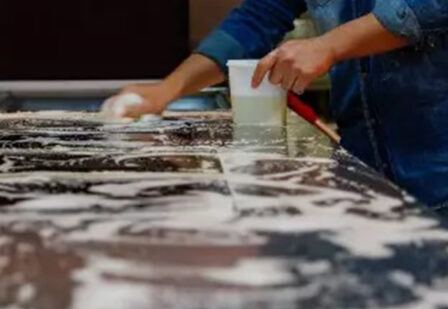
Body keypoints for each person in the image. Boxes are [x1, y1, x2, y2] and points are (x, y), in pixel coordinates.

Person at [108, 0, 448, 212]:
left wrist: (327, 46)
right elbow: (258, 17)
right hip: (365, 176)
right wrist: (168, 90)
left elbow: (426, 7)